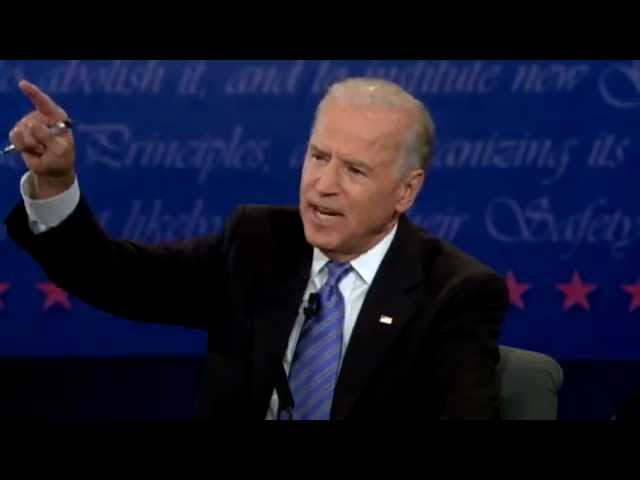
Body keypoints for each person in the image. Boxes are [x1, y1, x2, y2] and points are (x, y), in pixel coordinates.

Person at [4, 77, 509, 420]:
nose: (323, 185)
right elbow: (116, 279)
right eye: (318, 157)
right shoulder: (258, 244)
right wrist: (55, 182)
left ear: (406, 191)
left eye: (354, 170)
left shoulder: (454, 293)